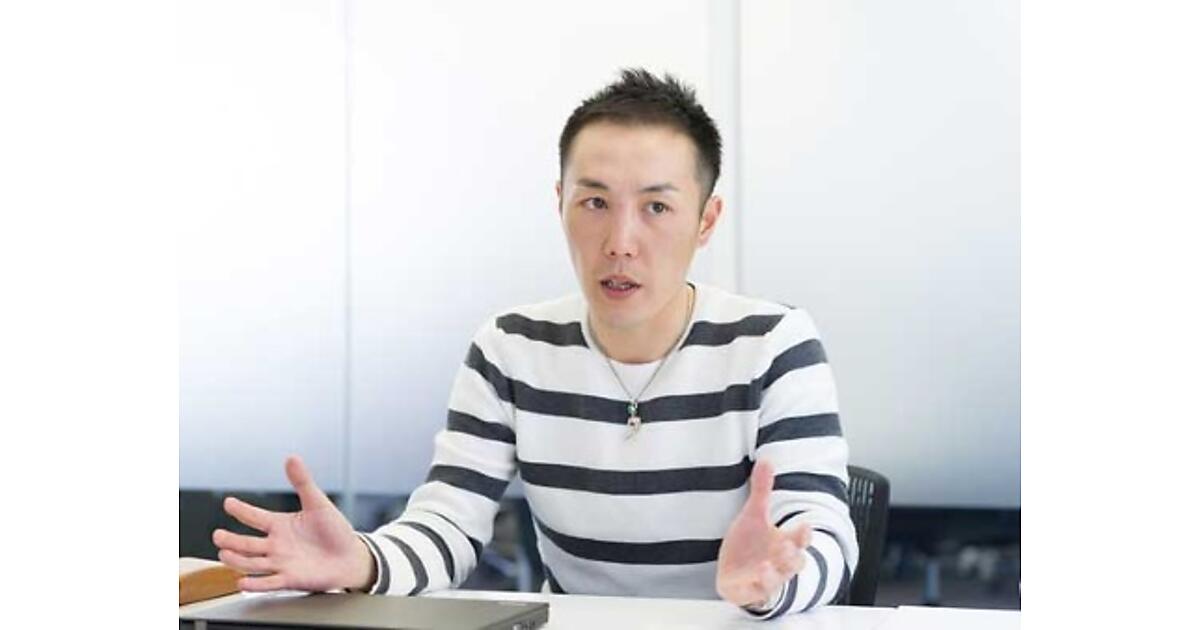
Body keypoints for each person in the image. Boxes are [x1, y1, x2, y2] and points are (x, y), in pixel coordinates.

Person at [212, 68, 858, 619]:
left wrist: (771, 584)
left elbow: (822, 532)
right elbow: (449, 525)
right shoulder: (510, 348)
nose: (620, 242)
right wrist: (364, 559)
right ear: (560, 203)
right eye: (595, 202)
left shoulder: (773, 344)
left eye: (657, 208)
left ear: (706, 220)